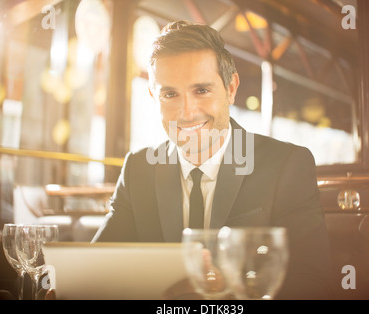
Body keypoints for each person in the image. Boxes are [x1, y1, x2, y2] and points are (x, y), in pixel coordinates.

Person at [92, 20, 333, 299]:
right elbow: (94, 270)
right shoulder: (138, 170)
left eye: (201, 91)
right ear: (153, 97)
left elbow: (315, 286)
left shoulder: (287, 165)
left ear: (231, 88)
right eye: (170, 94)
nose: (186, 112)